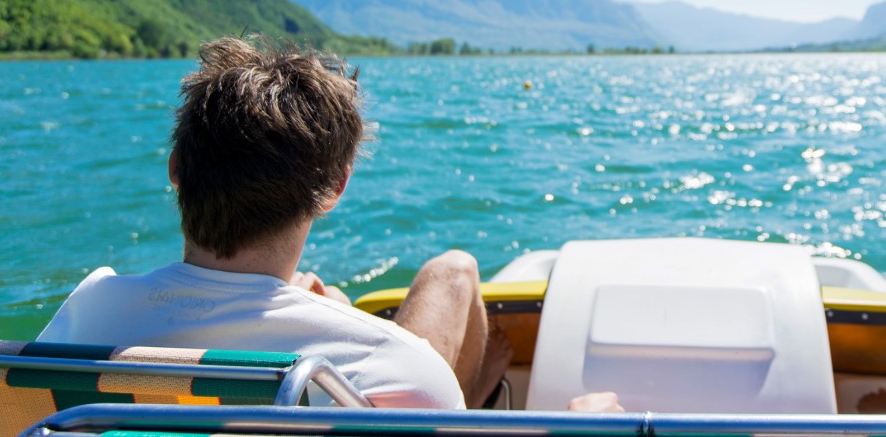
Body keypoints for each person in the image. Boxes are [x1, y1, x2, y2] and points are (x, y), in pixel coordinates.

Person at [39, 35, 619, 411]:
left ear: (175, 171)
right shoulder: (396, 374)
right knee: (456, 276)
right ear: (333, 189)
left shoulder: (80, 320)